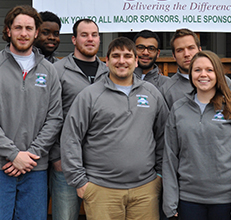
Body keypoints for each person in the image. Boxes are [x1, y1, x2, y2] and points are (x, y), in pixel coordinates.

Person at [61, 37, 169, 220]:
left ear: (135, 61)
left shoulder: (152, 93)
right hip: (101, 190)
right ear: (107, 61)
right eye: (116, 56)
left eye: (127, 56)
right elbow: (71, 138)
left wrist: (159, 175)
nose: (121, 61)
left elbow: (164, 136)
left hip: (145, 190)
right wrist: (80, 182)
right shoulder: (90, 95)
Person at [0, 5, 63, 220]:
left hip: (35, 165)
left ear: (36, 32)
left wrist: (30, 155)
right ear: (8, 31)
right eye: (18, 28)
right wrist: (13, 154)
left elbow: (55, 118)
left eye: (28, 28)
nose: (23, 33)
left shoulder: (50, 70)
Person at [163, 51, 231, 220]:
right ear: (191, 74)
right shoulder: (178, 109)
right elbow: (170, 157)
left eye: (209, 70)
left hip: (225, 201)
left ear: (218, 74)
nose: (203, 74)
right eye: (197, 70)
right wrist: (170, 203)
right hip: (188, 200)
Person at [50, 19, 108, 220]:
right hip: (67, 164)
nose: (90, 39)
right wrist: (56, 158)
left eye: (94, 34)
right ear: (74, 39)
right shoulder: (57, 71)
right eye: (84, 35)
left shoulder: (108, 73)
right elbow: (50, 116)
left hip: (101, 164)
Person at [160, 29, 231, 108]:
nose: (186, 54)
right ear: (174, 56)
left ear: (200, 50)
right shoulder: (166, 90)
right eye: (180, 50)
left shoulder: (224, 82)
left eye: (191, 48)